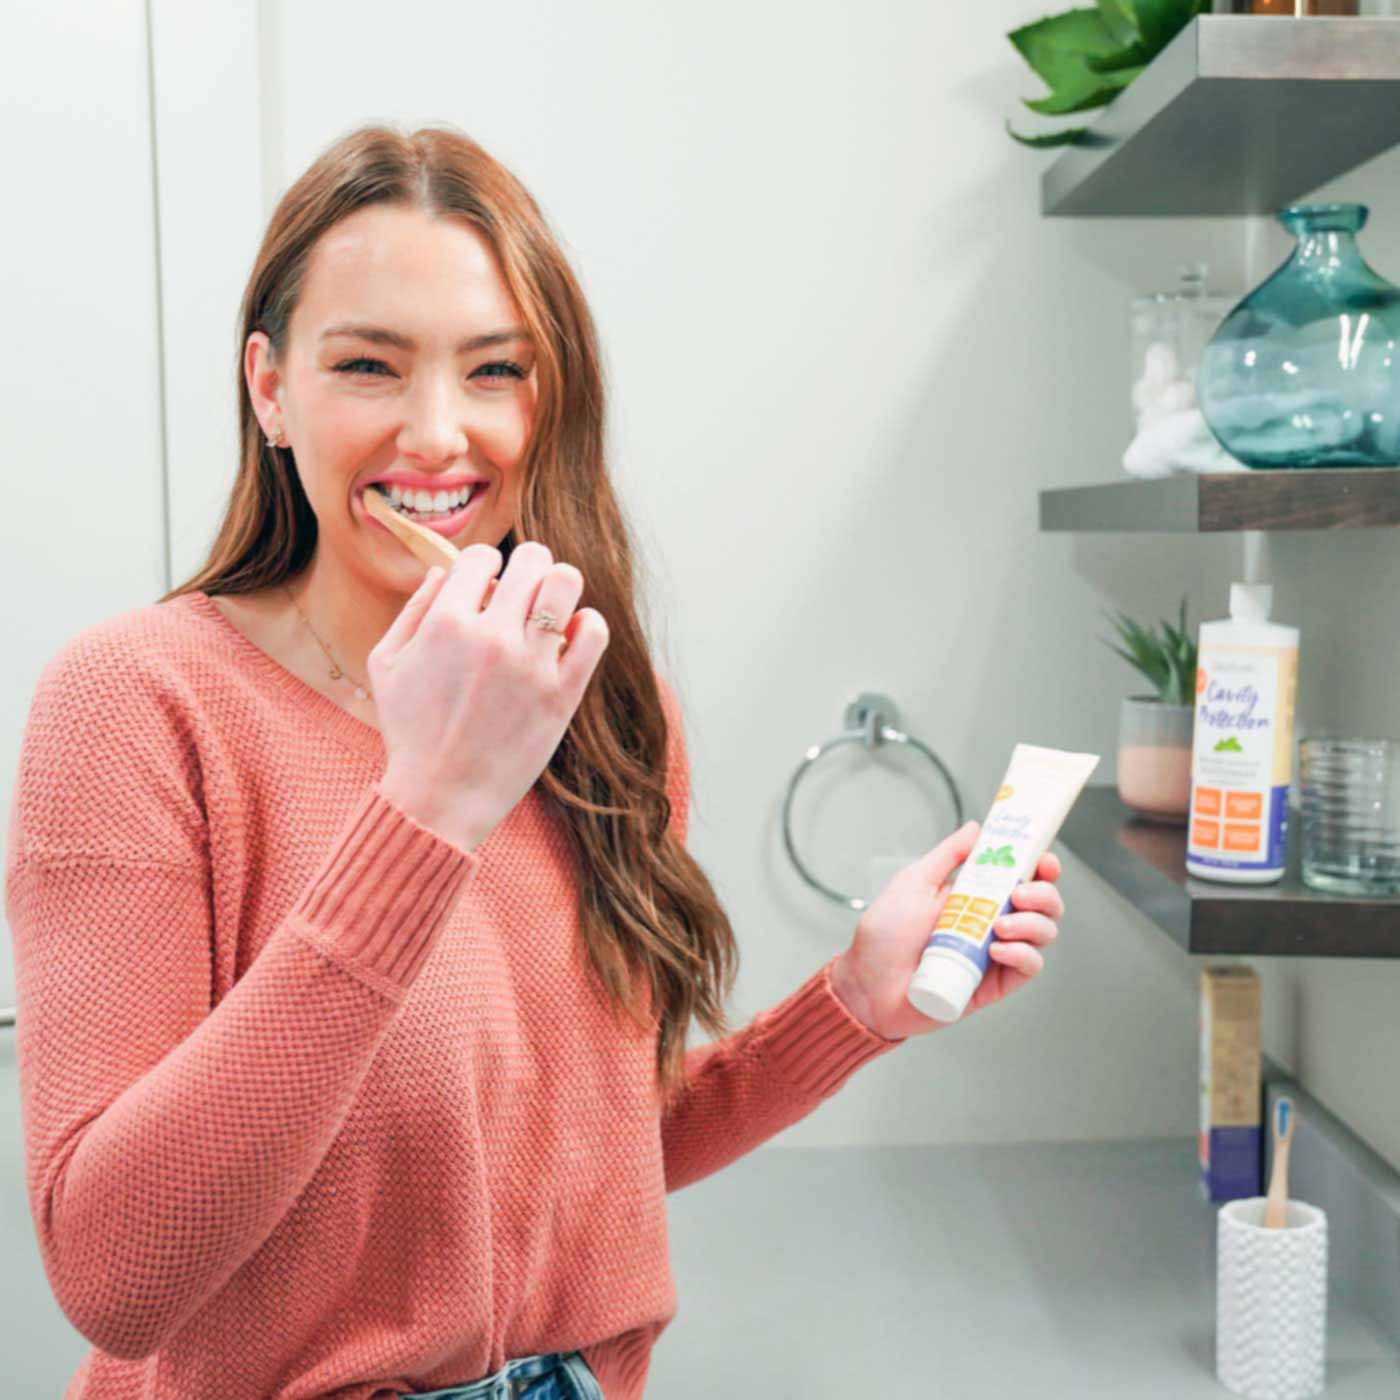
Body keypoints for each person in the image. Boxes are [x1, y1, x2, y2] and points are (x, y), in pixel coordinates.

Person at [4, 123, 1066, 1400]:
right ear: (270, 388)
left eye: (493, 369)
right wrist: (427, 807)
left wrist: (854, 1003)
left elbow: (583, 1148)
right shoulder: (137, 704)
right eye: (367, 365)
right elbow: (117, 1270)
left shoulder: (610, 714)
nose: (438, 433)